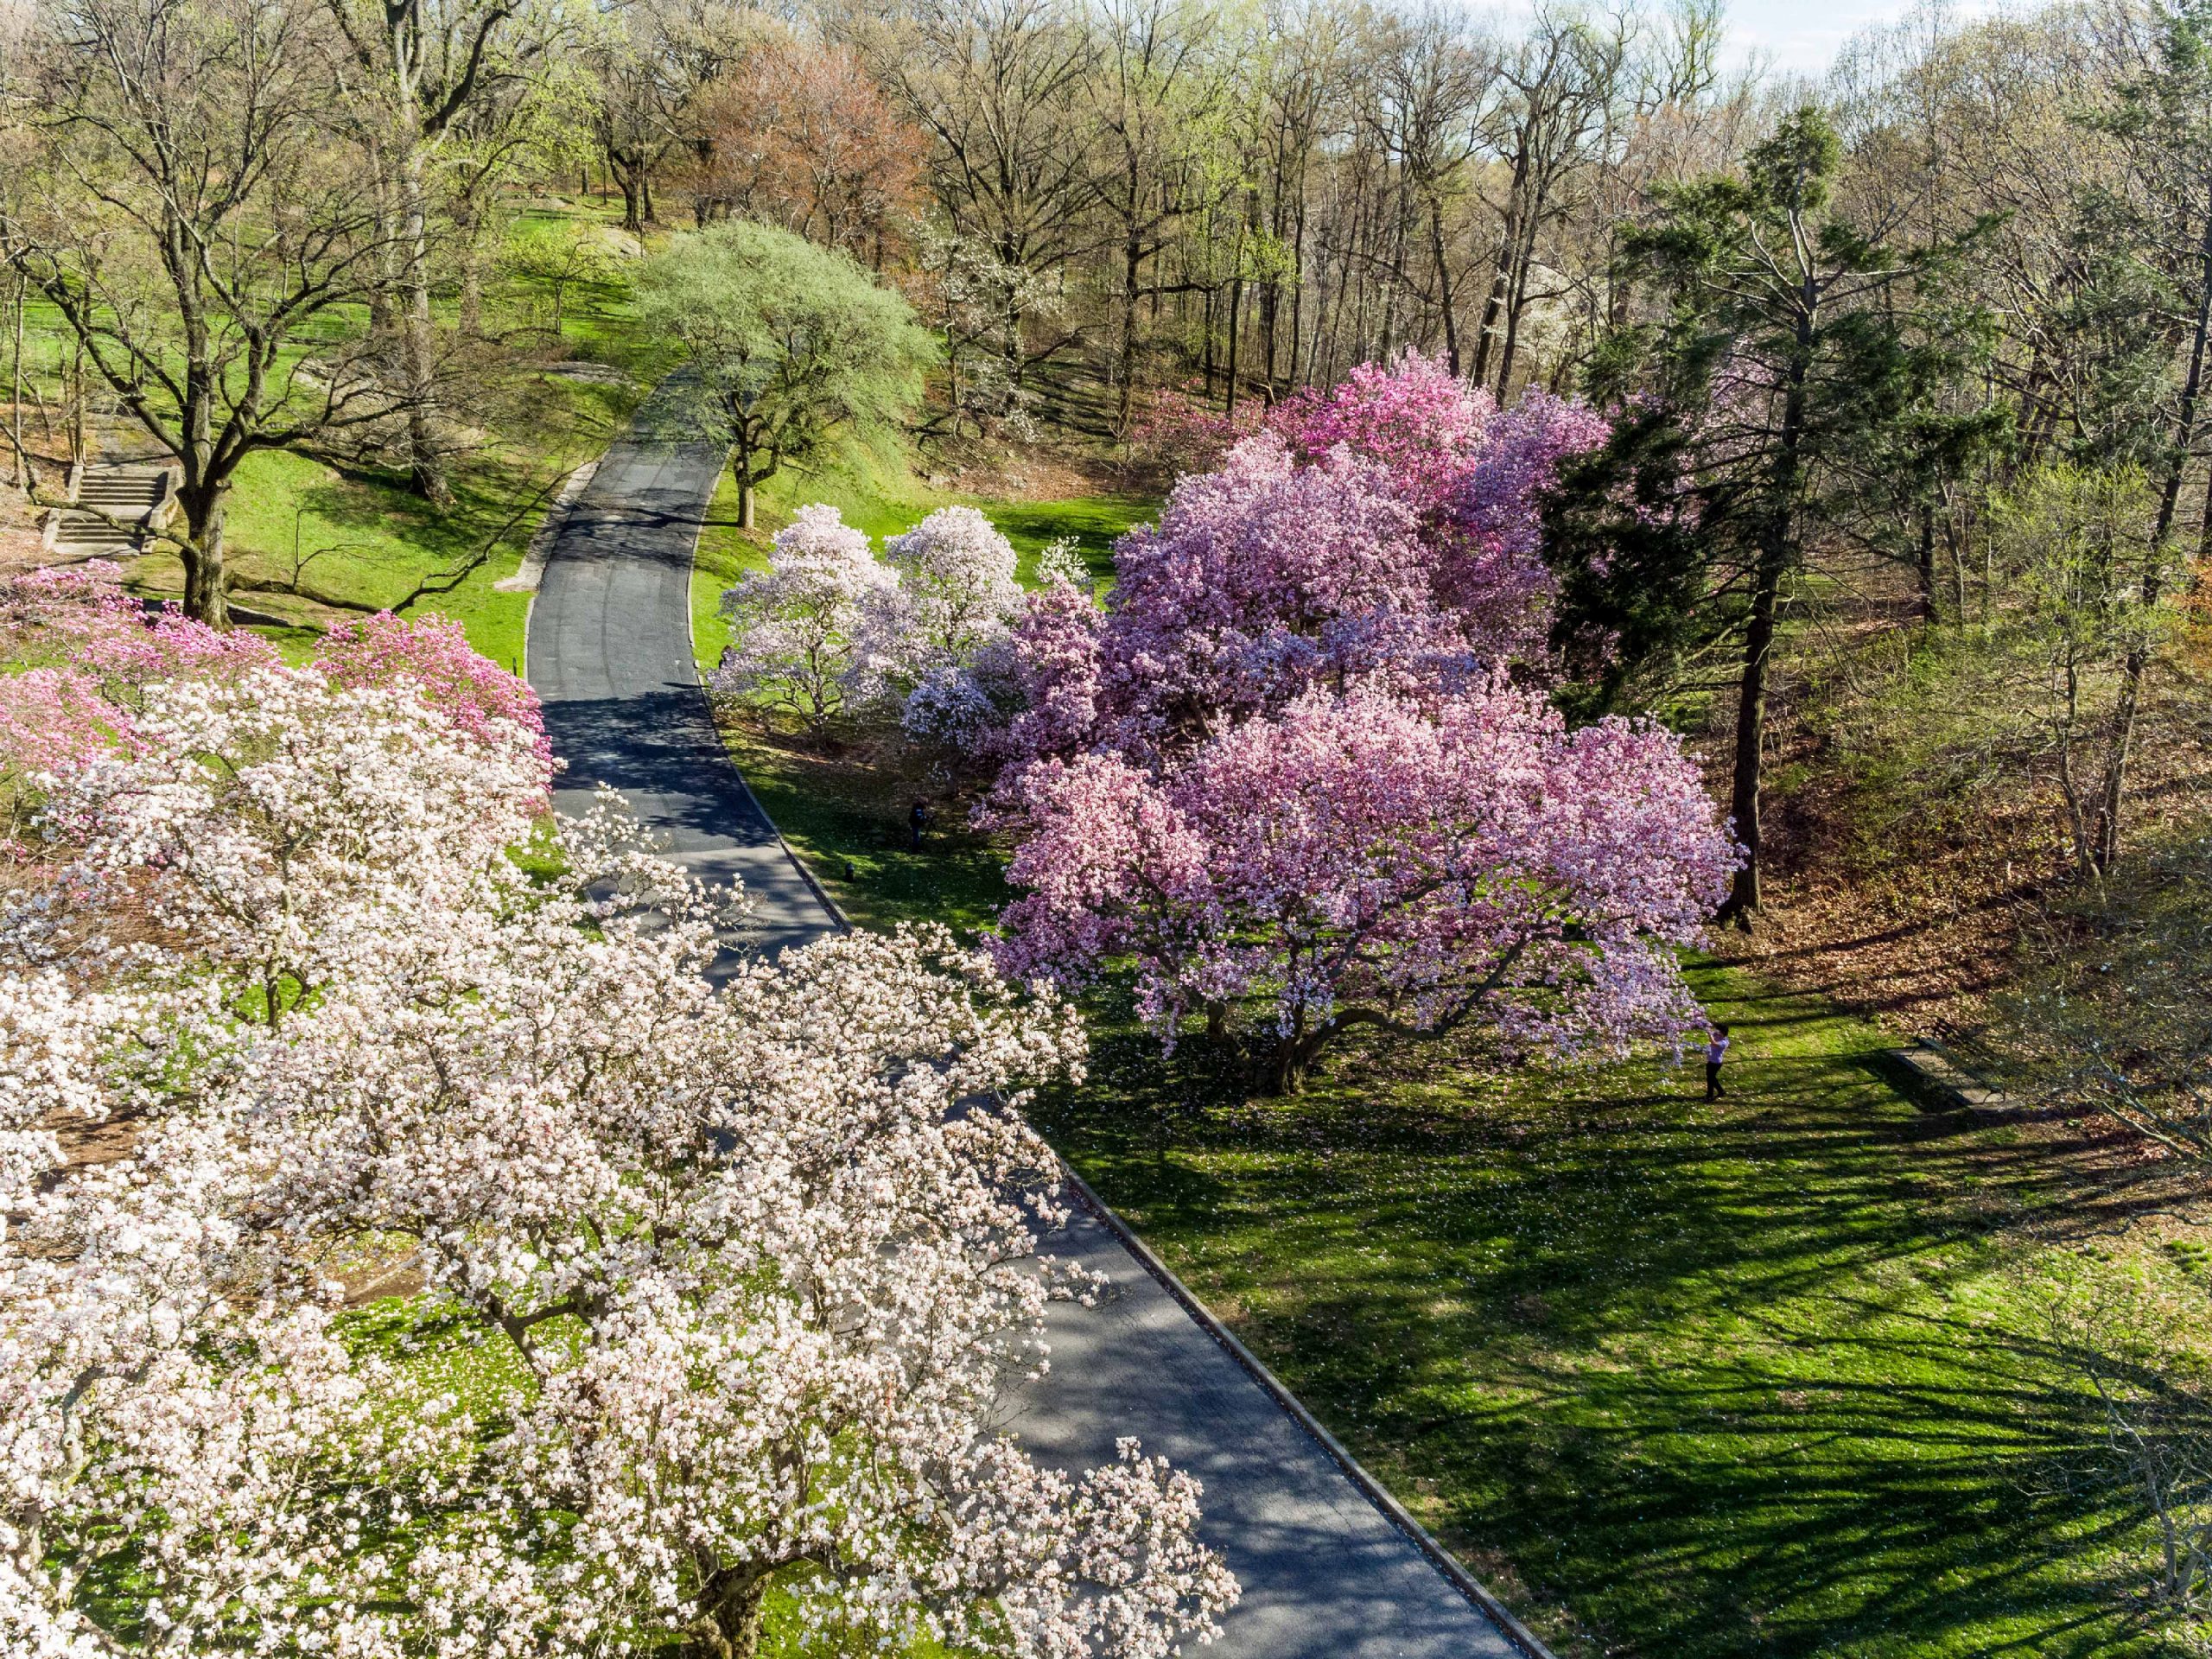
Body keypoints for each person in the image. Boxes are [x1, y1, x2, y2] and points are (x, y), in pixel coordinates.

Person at [1705, 1023, 1731, 1101]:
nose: (1717, 1032)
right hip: (1710, 1061)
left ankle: (1710, 1095)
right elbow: (1713, 1032)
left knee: (1711, 1078)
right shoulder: (1718, 1035)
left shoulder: (1724, 1042)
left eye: (1719, 1031)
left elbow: (1714, 1043)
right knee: (1711, 1078)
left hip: (1716, 1063)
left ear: (1723, 1033)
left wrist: (1709, 1034)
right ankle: (1720, 1091)